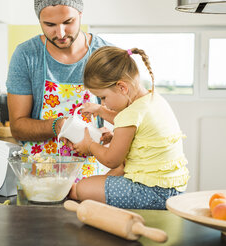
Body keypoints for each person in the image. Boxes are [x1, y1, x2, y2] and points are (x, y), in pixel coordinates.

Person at [71, 46, 190, 210]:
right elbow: (130, 124)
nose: (103, 103)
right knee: (112, 174)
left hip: (152, 191)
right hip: (172, 188)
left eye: (103, 98)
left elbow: (112, 160)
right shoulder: (152, 99)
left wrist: (90, 145)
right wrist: (100, 111)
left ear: (122, 87)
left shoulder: (130, 114)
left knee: (83, 187)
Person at [6, 0, 112, 181]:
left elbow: (129, 114)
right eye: (50, 25)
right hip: (37, 174)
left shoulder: (104, 54)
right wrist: (58, 126)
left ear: (80, 15)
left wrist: (113, 133)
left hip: (89, 175)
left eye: (68, 22)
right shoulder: (26, 55)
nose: (60, 33)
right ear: (39, 20)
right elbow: (17, 128)